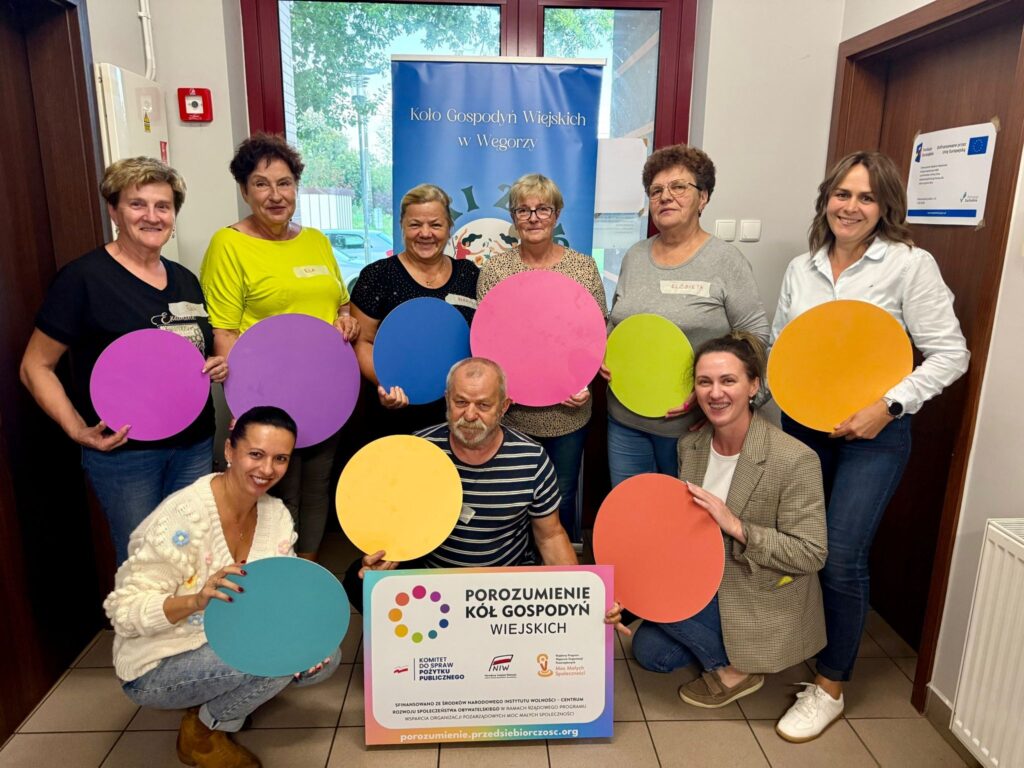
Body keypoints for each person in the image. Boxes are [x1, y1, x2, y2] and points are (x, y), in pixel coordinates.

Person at [772, 151, 969, 742]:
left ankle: (830, 686)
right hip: (805, 430)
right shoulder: (802, 268)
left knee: (842, 555)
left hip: (875, 437)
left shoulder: (909, 265)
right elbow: (783, 346)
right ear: (826, 199)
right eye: (842, 194)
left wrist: (888, 406)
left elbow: (951, 354)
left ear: (885, 207)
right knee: (806, 547)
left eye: (865, 197)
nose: (850, 207)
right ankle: (808, 647)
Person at [104, 406, 339, 768]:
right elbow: (124, 612)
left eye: (280, 459)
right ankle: (203, 733)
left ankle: (211, 703)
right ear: (230, 450)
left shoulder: (276, 515)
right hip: (156, 662)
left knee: (325, 655)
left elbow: (281, 599)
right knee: (278, 658)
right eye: (255, 454)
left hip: (227, 639)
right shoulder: (183, 517)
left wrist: (308, 633)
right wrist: (196, 601)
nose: (267, 469)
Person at [20, 157, 227, 565]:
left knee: (193, 555)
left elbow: (188, 354)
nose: (152, 216)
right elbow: (34, 367)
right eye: (137, 204)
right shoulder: (83, 279)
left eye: (163, 206)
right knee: (144, 562)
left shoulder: (185, 279)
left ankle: (191, 613)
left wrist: (215, 364)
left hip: (194, 443)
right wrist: (76, 428)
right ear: (114, 211)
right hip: (127, 454)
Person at [629, 333, 827, 709]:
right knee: (651, 653)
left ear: (753, 386)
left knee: (654, 604)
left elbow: (811, 553)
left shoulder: (794, 459)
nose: (715, 393)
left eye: (728, 380)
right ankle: (721, 640)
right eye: (705, 382)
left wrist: (735, 525)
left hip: (757, 587)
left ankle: (737, 668)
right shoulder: (691, 446)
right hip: (704, 578)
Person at [200, 133, 360, 561]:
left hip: (324, 391)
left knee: (317, 486)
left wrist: (345, 320)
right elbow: (224, 332)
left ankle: (306, 570)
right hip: (267, 395)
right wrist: (243, 402)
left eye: (284, 183)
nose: (275, 195)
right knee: (277, 489)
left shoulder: (316, 241)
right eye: (261, 184)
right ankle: (277, 576)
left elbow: (340, 303)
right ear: (244, 191)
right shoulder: (229, 245)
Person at [603, 144, 770, 487]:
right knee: (631, 510)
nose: (665, 197)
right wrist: (603, 353)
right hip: (624, 422)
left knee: (682, 515)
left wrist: (722, 402)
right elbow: (618, 321)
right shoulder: (635, 256)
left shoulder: (725, 260)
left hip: (691, 428)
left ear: (703, 197)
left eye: (678, 187)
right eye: (656, 191)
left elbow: (756, 339)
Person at [476, 174, 607, 545]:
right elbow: (488, 337)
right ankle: (516, 565)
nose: (533, 217)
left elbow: (596, 333)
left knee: (561, 492)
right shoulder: (497, 270)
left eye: (542, 209)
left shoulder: (582, 268)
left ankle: (557, 569)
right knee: (513, 493)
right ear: (514, 217)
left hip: (568, 410)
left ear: (556, 214)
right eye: (524, 210)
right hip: (512, 411)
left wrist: (582, 379)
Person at [349, 184, 479, 435]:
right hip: (394, 408)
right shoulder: (377, 276)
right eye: (415, 224)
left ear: (449, 227)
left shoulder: (469, 275)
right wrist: (388, 384)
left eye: (435, 224)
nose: (425, 233)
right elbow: (362, 341)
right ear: (402, 226)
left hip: (458, 412)